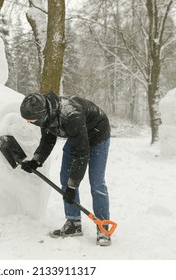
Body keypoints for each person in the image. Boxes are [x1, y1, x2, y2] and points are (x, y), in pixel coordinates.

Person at [20, 92, 112, 246]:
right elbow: (48, 140)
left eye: (31, 120)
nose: (30, 123)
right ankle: (73, 223)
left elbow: (81, 154)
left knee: (97, 183)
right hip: (77, 136)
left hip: (97, 134)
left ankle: (103, 226)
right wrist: (36, 161)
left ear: (42, 114)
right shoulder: (48, 114)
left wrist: (72, 186)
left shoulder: (71, 115)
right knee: (65, 177)